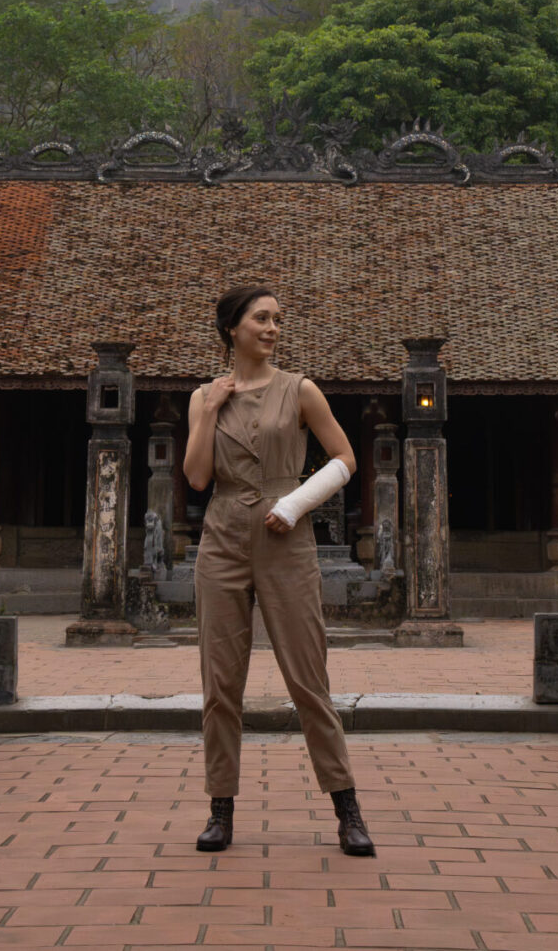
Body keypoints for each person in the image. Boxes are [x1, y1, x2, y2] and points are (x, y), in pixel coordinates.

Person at [183, 283, 375, 857]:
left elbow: (345, 458)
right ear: (232, 327)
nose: (272, 328)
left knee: (307, 679)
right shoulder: (203, 397)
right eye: (261, 319)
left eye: (277, 320)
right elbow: (196, 478)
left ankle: (347, 808)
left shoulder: (300, 390)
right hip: (221, 537)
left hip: (285, 535)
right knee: (220, 684)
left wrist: (294, 505)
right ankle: (220, 810)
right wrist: (209, 412)